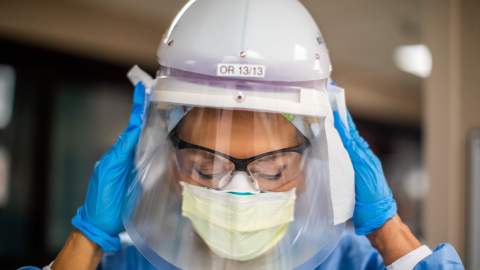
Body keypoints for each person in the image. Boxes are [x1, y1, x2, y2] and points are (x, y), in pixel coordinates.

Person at [21, 0, 464, 269]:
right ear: (173, 166)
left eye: (271, 171)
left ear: (308, 169)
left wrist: (389, 230)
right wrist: (87, 238)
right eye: (206, 167)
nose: (238, 194)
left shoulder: (353, 265)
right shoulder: (132, 264)